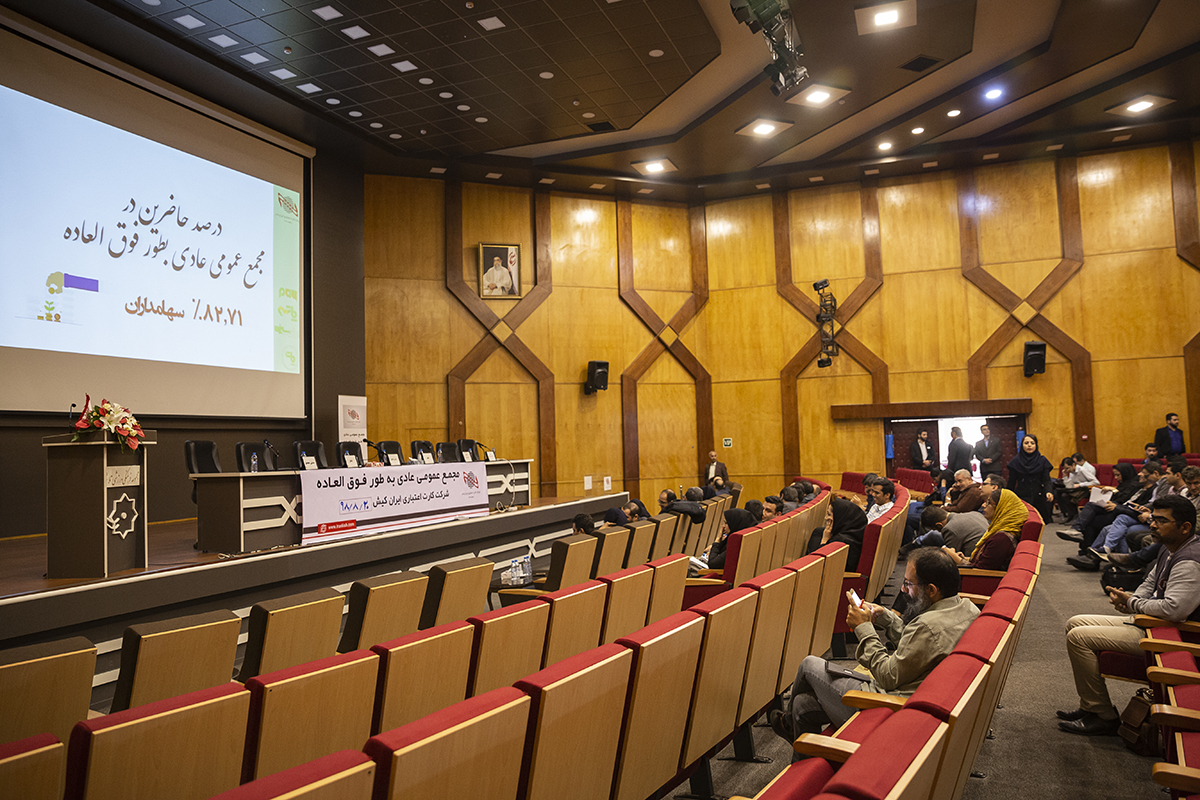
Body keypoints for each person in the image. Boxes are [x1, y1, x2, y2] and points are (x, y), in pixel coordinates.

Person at [769, 549, 978, 745]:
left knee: (808, 665)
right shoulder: (967, 609)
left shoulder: (927, 626)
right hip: (916, 695)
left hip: (891, 706)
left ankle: (788, 725)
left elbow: (887, 676)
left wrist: (863, 628)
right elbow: (919, 648)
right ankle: (798, 743)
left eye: (908, 583)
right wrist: (886, 617)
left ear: (931, 590)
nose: (903, 590)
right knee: (801, 705)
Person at [1059, 495, 1200, 735]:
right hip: (1155, 623)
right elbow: (1150, 583)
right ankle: (1091, 706)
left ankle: (1102, 715)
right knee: (1075, 622)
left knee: (1079, 637)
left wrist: (1133, 603)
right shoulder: (1170, 548)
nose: (1152, 524)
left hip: (1174, 636)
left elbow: (1174, 610)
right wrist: (1133, 601)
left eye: (1161, 521)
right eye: (1153, 519)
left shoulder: (1190, 561)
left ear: (1185, 527)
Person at [943, 489, 1024, 571]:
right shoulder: (999, 531)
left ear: (1002, 508)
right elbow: (983, 563)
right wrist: (965, 559)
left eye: (988, 502)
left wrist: (956, 559)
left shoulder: (1002, 539)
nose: (983, 505)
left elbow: (982, 572)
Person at [807, 497, 867, 571]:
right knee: (819, 531)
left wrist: (824, 540)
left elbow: (816, 566)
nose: (826, 518)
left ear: (841, 518)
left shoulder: (841, 541)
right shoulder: (854, 532)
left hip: (829, 574)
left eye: (829, 514)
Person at [1007, 434, 1054, 525]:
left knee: (1040, 523)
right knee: (1024, 523)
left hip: (1039, 495)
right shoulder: (1015, 461)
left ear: (1036, 445)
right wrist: (1008, 496)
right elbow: (1011, 482)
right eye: (1026, 443)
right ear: (1022, 445)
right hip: (1022, 496)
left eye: (1032, 443)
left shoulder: (1042, 460)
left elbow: (1046, 479)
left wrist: (1049, 491)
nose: (1029, 445)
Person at [905, 505, 988, 555]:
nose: (939, 532)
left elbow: (950, 556)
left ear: (939, 525)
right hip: (985, 553)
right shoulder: (975, 513)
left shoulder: (949, 528)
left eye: (937, 529)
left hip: (972, 562)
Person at [1055, 452, 1099, 522]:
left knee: (1066, 496)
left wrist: (1080, 484)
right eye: (1065, 469)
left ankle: (1074, 516)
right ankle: (1070, 515)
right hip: (1077, 490)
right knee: (1060, 494)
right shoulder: (1071, 472)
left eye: (1068, 468)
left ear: (1073, 465)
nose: (1067, 470)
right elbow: (1069, 487)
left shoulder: (1082, 470)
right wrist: (1065, 476)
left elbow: (1096, 482)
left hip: (1086, 490)